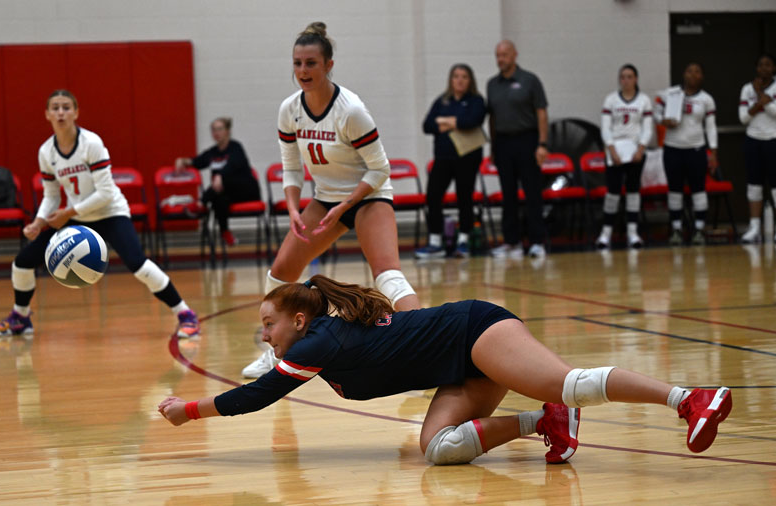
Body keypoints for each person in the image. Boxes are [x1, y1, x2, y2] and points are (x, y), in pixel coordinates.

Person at [159, 275, 732, 465]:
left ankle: (689, 398)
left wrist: (190, 410)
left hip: (474, 331)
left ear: (301, 320)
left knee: (570, 380)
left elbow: (257, 397)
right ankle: (547, 422)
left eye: (268, 323)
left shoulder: (318, 344)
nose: (264, 333)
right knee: (438, 449)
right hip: (457, 369)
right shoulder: (320, 340)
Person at [241, 22, 422, 378]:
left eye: (311, 63)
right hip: (325, 200)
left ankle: (422, 353)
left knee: (389, 277)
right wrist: (293, 208)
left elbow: (380, 169)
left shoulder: (351, 111)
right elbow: (291, 169)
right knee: (279, 276)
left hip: (367, 196)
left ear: (328, 65)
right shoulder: (289, 110)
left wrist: (346, 205)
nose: (303, 71)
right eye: (297, 63)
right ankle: (276, 355)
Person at [0, 89, 200, 339]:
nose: (61, 112)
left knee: (138, 264)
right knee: (22, 262)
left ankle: (186, 314)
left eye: (66, 107)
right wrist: (38, 221)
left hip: (110, 212)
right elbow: (52, 195)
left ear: (76, 112)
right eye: (55, 108)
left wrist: (68, 212)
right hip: (77, 216)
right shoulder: (46, 152)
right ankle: (20, 317)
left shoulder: (91, 143)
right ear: (47, 114)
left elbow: (106, 193)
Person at [485, 40, 549, 259]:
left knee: (532, 193)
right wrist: (493, 146)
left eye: (504, 54)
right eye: (497, 55)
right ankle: (512, 243)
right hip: (503, 143)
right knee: (508, 194)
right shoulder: (492, 84)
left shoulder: (530, 80)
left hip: (527, 140)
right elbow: (492, 118)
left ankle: (537, 241)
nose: (500, 59)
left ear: (514, 55)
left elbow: (541, 112)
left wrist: (542, 144)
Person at [415, 64, 487, 259]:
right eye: (456, 76)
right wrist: (452, 121)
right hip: (443, 158)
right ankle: (435, 242)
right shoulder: (442, 101)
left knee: (465, 198)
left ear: (470, 80)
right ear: (451, 80)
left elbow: (472, 121)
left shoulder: (476, 100)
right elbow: (427, 125)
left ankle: (463, 240)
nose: (460, 80)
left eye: (464, 76)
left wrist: (445, 121)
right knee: (433, 197)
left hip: (467, 157)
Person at [654, 62, 718, 246]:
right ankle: (676, 229)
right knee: (675, 190)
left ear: (702, 77)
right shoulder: (671, 94)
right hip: (673, 149)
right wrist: (663, 120)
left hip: (696, 150)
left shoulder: (706, 99)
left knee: (699, 189)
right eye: (689, 71)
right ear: (684, 74)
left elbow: (711, 127)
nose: (693, 74)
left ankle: (699, 229)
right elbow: (656, 113)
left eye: (697, 71)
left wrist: (713, 152)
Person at [174, 117, 261, 246]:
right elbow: (198, 161)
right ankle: (225, 232)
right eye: (214, 130)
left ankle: (200, 203)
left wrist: (221, 177)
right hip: (225, 193)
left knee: (222, 185)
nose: (216, 133)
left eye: (220, 129)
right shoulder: (212, 153)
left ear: (227, 131)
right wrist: (183, 161)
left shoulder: (236, 148)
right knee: (219, 199)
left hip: (246, 190)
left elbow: (234, 165)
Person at [596, 64, 654, 249]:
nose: (626, 80)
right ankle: (605, 234)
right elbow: (605, 127)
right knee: (612, 193)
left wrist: (641, 148)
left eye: (629, 76)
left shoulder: (644, 100)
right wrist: (611, 150)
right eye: (622, 77)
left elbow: (648, 127)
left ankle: (632, 232)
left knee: (633, 191)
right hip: (616, 150)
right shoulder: (611, 100)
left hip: (635, 150)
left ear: (636, 79)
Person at [739, 53, 776, 244]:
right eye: (761, 65)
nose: (764, 68)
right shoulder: (746, 88)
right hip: (753, 139)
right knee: (754, 184)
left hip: (775, 139)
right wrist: (762, 102)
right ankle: (754, 227)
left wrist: (759, 96)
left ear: (774, 69)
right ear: (756, 68)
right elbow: (743, 118)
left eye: (768, 65)